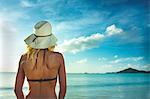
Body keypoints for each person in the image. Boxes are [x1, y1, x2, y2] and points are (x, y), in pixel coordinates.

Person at [14, 21, 67, 99]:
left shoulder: (25, 58)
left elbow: (17, 90)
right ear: (50, 39)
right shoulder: (58, 57)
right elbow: (63, 88)